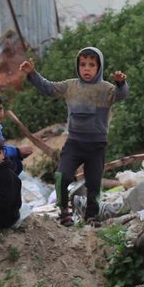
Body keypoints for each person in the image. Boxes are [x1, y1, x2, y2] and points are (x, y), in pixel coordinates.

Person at [20, 46, 128, 226]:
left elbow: (121, 95)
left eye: (91, 65)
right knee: (62, 176)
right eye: (83, 64)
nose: (86, 68)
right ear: (78, 66)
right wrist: (33, 74)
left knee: (94, 184)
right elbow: (48, 88)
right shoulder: (70, 86)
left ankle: (92, 216)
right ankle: (64, 211)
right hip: (74, 143)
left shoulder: (106, 89)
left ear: (99, 67)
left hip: (96, 146)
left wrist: (121, 83)